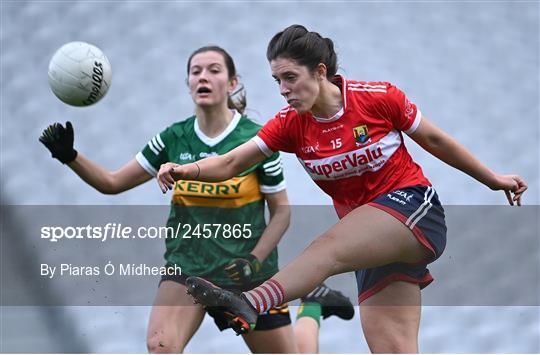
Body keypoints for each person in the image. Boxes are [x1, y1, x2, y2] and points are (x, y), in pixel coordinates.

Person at [155, 26, 528, 353]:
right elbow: (232, 162)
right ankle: (290, 305)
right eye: (276, 81)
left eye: (290, 77)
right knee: (393, 348)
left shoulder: (377, 98)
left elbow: (435, 140)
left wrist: (492, 179)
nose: (283, 90)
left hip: (413, 210)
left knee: (326, 249)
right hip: (368, 242)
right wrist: (186, 169)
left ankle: (251, 301)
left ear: (320, 72)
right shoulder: (290, 124)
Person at [40, 45, 354, 353]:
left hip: (244, 274)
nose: (203, 76)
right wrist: (70, 156)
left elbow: (282, 213)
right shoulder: (172, 138)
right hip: (187, 268)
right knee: (160, 346)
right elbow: (111, 183)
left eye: (214, 70)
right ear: (189, 83)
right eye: (195, 71)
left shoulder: (256, 140)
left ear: (232, 83)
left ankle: (311, 308)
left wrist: (254, 260)